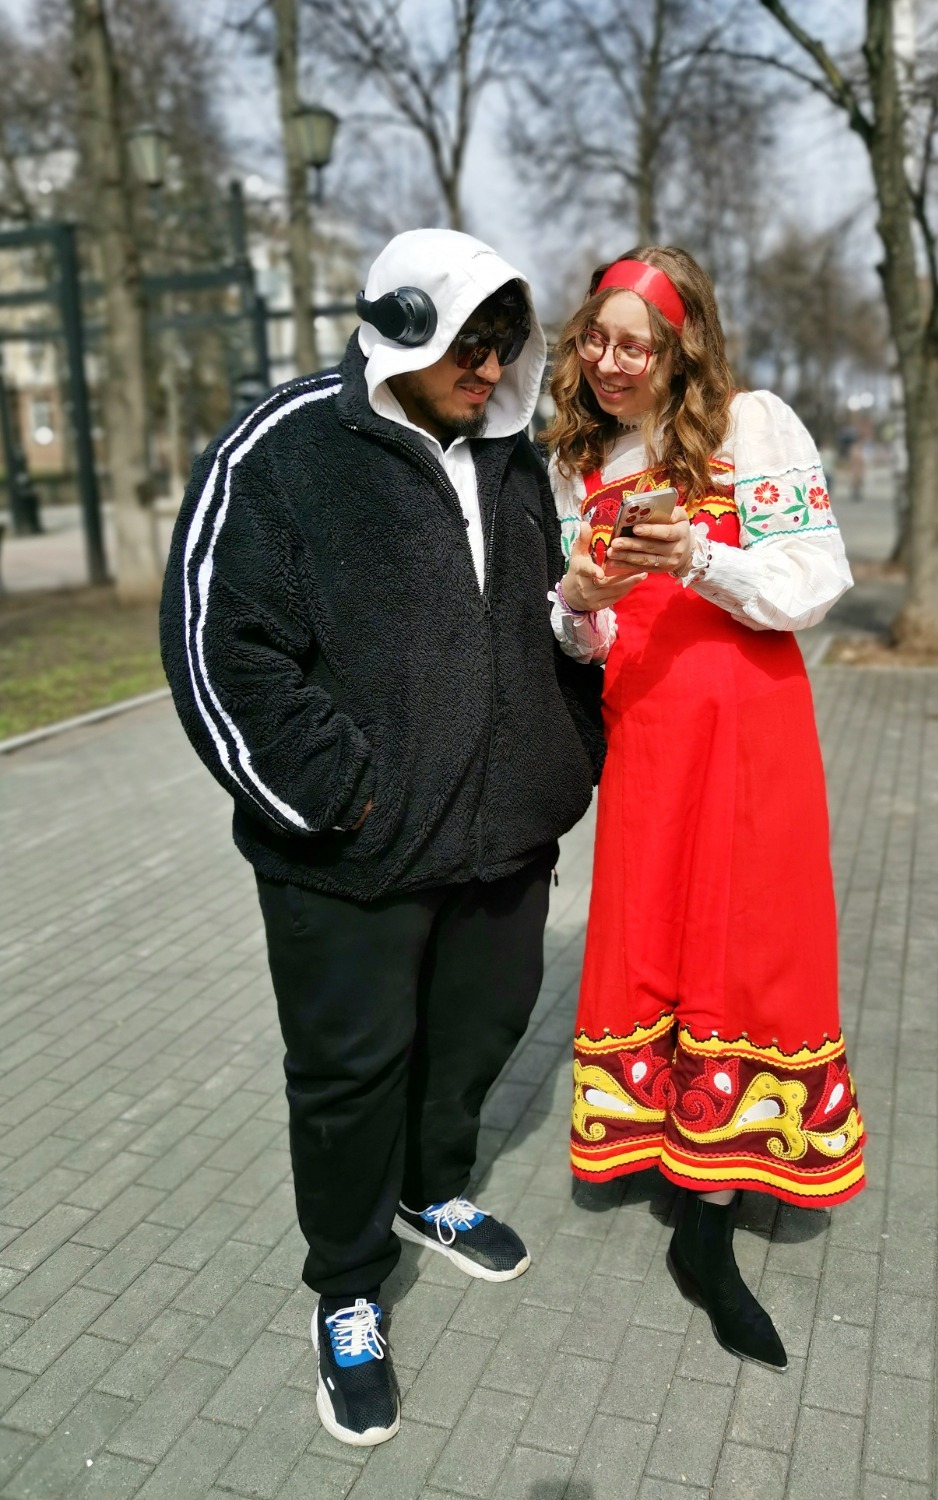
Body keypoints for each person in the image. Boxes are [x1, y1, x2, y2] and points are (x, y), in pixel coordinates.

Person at [159, 229, 604, 1447]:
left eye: (506, 342)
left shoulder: (511, 457)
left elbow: (541, 613)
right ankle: (349, 1287)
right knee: (350, 1077)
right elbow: (217, 643)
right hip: (349, 854)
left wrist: (564, 750)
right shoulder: (286, 448)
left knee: (479, 1034)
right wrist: (337, 798)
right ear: (406, 323)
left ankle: (429, 1191)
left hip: (504, 839)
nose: (491, 365)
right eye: (470, 339)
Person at [544, 246, 867, 1372]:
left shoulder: (753, 424)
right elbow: (588, 638)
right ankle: (667, 1145)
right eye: (596, 338)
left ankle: (712, 1218)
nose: (608, 361)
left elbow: (814, 581)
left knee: (747, 942)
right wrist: (575, 603)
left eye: (633, 344)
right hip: (646, 733)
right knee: (657, 938)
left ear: (681, 348)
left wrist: (700, 555)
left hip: (748, 729)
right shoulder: (582, 460)